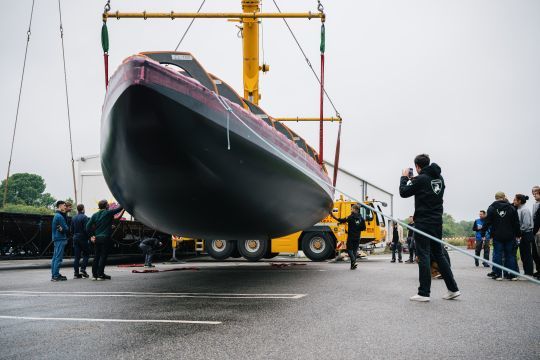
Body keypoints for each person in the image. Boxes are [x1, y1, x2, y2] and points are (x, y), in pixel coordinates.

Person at [399, 154, 460, 301]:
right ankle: (453, 289)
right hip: (437, 222)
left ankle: (423, 293)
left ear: (418, 167)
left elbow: (403, 192)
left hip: (423, 222)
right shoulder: (439, 178)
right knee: (438, 254)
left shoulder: (421, 179)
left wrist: (404, 178)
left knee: (424, 255)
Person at [483, 192, 520, 281]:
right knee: (510, 255)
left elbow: (487, 222)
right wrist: (518, 234)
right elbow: (516, 223)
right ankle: (512, 275)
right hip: (510, 235)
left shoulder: (491, 208)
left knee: (497, 254)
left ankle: (498, 274)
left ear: (496, 198)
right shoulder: (511, 208)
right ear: (504, 197)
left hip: (497, 235)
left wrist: (483, 233)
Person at [86, 200, 124, 281]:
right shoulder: (108, 213)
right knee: (103, 256)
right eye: (108, 204)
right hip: (105, 238)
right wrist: (124, 203)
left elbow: (87, 226)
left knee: (96, 256)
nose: (109, 205)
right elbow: (119, 209)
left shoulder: (95, 215)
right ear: (106, 206)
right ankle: (101, 274)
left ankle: (94, 275)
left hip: (97, 238)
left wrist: (91, 236)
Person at [331, 204, 366, 270]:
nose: (351, 210)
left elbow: (341, 220)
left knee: (349, 250)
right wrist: (357, 228)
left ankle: (354, 261)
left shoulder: (350, 217)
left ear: (355, 209)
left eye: (352, 209)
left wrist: (333, 216)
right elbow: (363, 228)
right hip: (358, 237)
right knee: (355, 251)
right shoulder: (362, 218)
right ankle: (353, 266)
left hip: (351, 237)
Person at [513, 194, 534, 277]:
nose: (513, 201)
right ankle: (526, 272)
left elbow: (526, 224)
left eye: (515, 200)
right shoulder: (519, 209)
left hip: (526, 234)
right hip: (522, 234)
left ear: (519, 201)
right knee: (523, 254)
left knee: (527, 254)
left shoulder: (524, 210)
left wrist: (519, 232)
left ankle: (529, 273)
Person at [71, 204, 91, 278]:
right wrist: (89, 237)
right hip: (83, 238)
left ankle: (76, 273)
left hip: (75, 238)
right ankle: (83, 269)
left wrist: (75, 235)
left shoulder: (74, 218)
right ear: (83, 209)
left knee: (77, 257)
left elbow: (71, 230)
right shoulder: (84, 217)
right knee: (86, 254)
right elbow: (86, 229)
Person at [51, 200, 69, 282]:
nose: (65, 207)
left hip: (56, 238)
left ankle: (54, 274)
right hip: (60, 239)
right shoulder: (60, 216)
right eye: (64, 205)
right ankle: (55, 275)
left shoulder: (57, 215)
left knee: (55, 258)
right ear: (60, 206)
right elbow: (66, 228)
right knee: (58, 258)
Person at [531, 186, 540, 279]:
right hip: (534, 230)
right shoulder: (535, 203)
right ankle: (538, 270)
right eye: (533, 192)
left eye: (536, 192)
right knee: (535, 253)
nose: (534, 194)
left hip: (538, 231)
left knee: (538, 252)